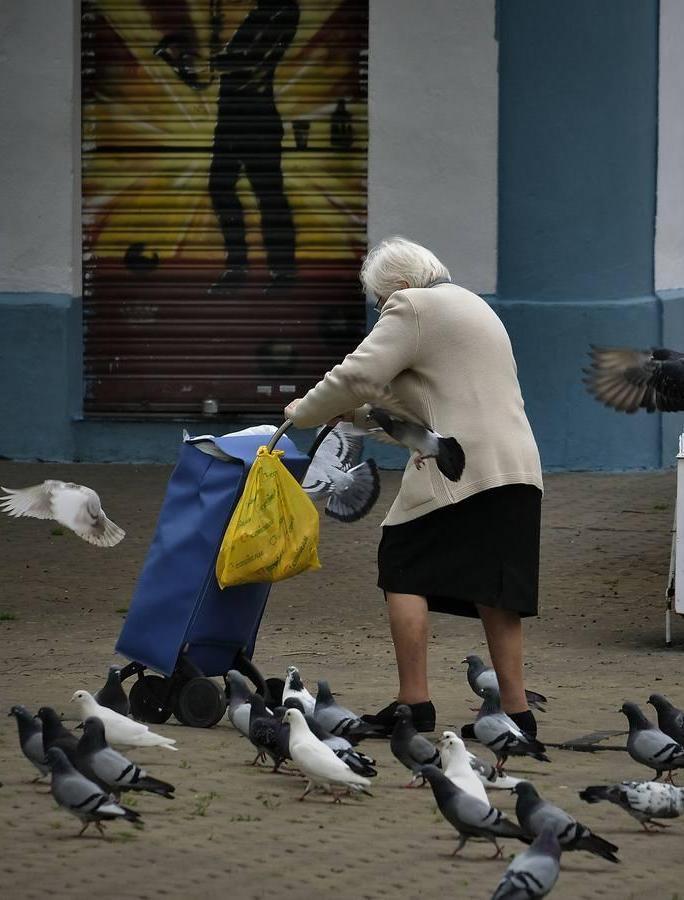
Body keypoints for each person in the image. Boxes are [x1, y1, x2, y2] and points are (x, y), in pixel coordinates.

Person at [284, 237, 544, 735]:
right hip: (516, 467)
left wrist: (304, 412)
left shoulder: (413, 305)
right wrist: (358, 416)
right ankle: (516, 713)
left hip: (459, 468)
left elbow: (356, 374)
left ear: (400, 286)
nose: (382, 313)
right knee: (497, 589)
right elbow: (425, 406)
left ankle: (414, 704)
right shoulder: (475, 307)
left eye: (379, 304)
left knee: (403, 563)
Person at [206, 0, 300, 294]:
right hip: (231, 119)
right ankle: (237, 267)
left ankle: (282, 274)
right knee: (221, 187)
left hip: (257, 121)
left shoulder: (283, 10)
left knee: (269, 196)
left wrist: (222, 60)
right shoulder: (258, 13)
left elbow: (259, 60)